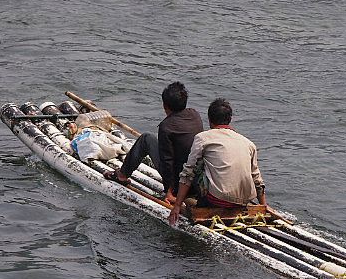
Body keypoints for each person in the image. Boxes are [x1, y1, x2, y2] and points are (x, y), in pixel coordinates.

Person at [168, 98, 266, 226]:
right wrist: (263, 206)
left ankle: (191, 200)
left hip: (216, 200)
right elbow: (256, 179)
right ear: (230, 119)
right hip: (243, 202)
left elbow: (188, 172)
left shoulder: (203, 138)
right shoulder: (249, 144)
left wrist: (177, 205)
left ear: (209, 119)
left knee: (197, 165)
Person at [103, 82, 203, 204]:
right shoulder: (195, 114)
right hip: (195, 180)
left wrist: (169, 191)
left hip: (179, 182)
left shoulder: (166, 127)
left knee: (146, 138)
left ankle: (122, 175)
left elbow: (167, 162)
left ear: (164, 105)